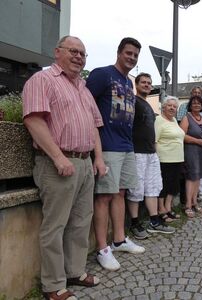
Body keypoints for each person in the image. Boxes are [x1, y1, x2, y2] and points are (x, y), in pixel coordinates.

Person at [22, 35, 106, 300]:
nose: (79, 57)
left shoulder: (82, 87)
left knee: (81, 223)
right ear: (57, 52)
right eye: (73, 51)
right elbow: (34, 120)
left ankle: (75, 271)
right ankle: (53, 285)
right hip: (57, 164)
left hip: (84, 164)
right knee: (55, 226)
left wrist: (99, 158)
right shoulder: (42, 80)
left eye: (83, 53)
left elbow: (93, 126)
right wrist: (59, 157)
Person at [86, 37, 145, 272]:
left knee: (120, 193)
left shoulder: (127, 82)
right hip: (107, 145)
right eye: (128, 53)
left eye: (135, 55)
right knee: (103, 196)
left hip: (126, 146)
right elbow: (86, 105)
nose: (131, 57)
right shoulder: (102, 74)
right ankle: (102, 249)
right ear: (119, 52)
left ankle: (119, 240)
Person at [126, 73, 175, 238]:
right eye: (143, 82)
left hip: (150, 152)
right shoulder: (133, 101)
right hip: (137, 152)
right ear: (137, 85)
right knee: (136, 189)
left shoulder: (147, 105)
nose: (147, 85)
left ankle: (154, 220)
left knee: (153, 187)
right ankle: (134, 223)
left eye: (149, 83)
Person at [180, 95, 202, 218]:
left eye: (199, 104)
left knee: (198, 177)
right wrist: (197, 141)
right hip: (191, 150)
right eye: (194, 103)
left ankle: (195, 202)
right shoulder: (186, 118)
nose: (196, 105)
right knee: (191, 177)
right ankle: (188, 205)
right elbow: (182, 135)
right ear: (190, 105)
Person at [155, 96, 185, 222]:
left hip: (177, 158)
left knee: (173, 185)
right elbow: (155, 141)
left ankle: (168, 207)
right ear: (164, 107)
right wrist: (156, 158)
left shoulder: (173, 121)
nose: (172, 108)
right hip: (164, 158)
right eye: (169, 105)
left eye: (174, 106)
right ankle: (161, 209)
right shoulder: (159, 120)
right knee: (164, 185)